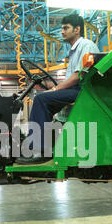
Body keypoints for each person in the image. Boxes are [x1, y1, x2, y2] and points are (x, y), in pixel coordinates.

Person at [16, 13, 99, 164]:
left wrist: (55, 90)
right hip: (77, 90)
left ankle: (39, 150)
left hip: (85, 91)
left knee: (41, 100)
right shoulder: (73, 51)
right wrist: (48, 86)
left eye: (66, 28)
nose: (62, 31)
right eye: (62, 28)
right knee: (43, 100)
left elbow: (79, 76)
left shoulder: (86, 46)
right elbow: (70, 80)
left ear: (77, 29)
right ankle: (43, 145)